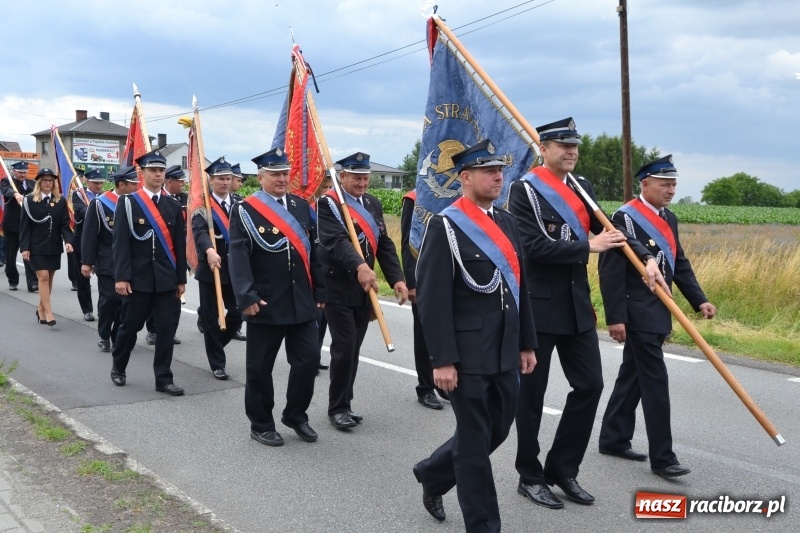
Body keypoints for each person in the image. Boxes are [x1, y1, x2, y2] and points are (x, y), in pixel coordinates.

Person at [509, 117, 667, 509]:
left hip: (577, 308)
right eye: (562, 145)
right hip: (539, 309)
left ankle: (562, 468)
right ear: (542, 149)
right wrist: (588, 248)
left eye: (575, 145)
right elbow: (532, 248)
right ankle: (529, 475)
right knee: (531, 395)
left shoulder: (583, 187)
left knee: (591, 385)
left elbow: (613, 229)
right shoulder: (523, 191)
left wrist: (646, 257)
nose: (572, 151)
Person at [412, 140, 537, 532]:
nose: (498, 176)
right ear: (465, 178)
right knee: (474, 445)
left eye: (500, 170)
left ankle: (433, 474)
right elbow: (432, 300)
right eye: (488, 171)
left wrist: (526, 342)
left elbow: (520, 288)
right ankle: (484, 526)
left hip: (504, 349)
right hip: (465, 356)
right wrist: (442, 360)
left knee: (494, 432)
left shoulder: (507, 222)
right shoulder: (446, 226)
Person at [598, 155, 715, 479]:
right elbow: (610, 271)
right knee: (654, 382)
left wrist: (699, 300)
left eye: (674, 184)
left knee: (632, 375)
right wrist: (615, 317)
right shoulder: (624, 218)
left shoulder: (670, 218)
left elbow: (679, 264)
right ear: (645, 184)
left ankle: (613, 437)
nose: (671, 190)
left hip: (659, 310)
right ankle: (663, 458)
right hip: (637, 313)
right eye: (665, 184)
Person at [228, 147, 325, 446]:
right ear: (261, 177)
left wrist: (320, 289)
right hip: (266, 302)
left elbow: (315, 250)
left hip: (302, 302)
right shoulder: (245, 209)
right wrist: (246, 296)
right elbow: (238, 255)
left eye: (285, 173)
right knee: (260, 368)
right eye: (275, 174)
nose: (282, 178)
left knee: (308, 361)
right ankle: (261, 423)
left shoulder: (300, 206)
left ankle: (296, 415)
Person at [317, 152, 407, 429]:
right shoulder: (329, 204)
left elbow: (384, 245)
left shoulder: (372, 204)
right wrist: (359, 266)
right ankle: (337, 408)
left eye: (366, 177)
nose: (362, 182)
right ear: (342, 177)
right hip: (338, 287)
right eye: (356, 177)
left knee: (354, 347)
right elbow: (336, 241)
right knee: (344, 346)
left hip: (363, 290)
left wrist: (397, 280)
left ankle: (346, 401)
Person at [110, 149, 187, 395]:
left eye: (161, 170)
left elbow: (180, 245)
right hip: (138, 280)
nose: (157, 174)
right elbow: (120, 242)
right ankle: (119, 366)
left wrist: (181, 280)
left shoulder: (173, 206)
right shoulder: (129, 203)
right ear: (142, 173)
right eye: (153, 170)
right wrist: (121, 276)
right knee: (128, 328)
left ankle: (163, 378)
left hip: (165, 280)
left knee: (165, 331)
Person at [192, 157, 243, 380]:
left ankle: (216, 345)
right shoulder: (203, 207)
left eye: (228, 178)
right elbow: (199, 232)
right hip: (212, 270)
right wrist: (209, 250)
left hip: (236, 271)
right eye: (220, 178)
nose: (225, 182)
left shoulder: (241, 204)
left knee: (238, 312)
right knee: (212, 318)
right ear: (211, 180)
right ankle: (217, 363)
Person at [81, 166, 139, 352]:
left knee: (125, 303)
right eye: (132, 184)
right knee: (109, 300)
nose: (136, 188)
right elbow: (90, 234)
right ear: (121, 184)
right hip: (107, 261)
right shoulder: (100, 203)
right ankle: (104, 334)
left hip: (130, 262)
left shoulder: (136, 203)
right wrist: (87, 262)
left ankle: (118, 336)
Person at [400, 188, 446, 410]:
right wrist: (412, 282)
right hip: (424, 276)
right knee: (424, 333)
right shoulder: (415, 198)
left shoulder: (457, 195)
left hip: (451, 276)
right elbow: (408, 242)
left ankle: (443, 383)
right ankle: (425, 387)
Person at [19, 168, 74, 326]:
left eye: (50, 180)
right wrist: (25, 248)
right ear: (39, 182)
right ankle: (49, 312)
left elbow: (64, 225)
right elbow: (25, 227)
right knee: (42, 276)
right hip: (36, 246)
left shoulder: (60, 201)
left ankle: (41, 309)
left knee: (49, 278)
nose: (48, 183)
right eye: (44, 180)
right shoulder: (29, 201)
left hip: (53, 245)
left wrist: (69, 241)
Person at [144, 164, 186, 346]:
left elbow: (180, 240)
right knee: (133, 321)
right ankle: (152, 330)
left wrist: (181, 276)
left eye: (161, 171)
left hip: (169, 266)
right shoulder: (135, 202)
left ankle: (168, 332)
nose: (183, 184)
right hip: (145, 267)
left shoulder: (176, 203)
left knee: (172, 309)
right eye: (179, 181)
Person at [71, 168, 104, 321]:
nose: (99, 186)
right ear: (87, 181)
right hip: (81, 241)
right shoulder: (77, 195)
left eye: (101, 183)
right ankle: (87, 309)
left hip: (101, 242)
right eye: (96, 183)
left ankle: (102, 308)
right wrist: (96, 208)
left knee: (104, 277)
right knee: (83, 278)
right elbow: (81, 211)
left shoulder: (105, 197)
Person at [1, 161, 38, 292]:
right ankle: (13, 280)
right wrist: (15, 194)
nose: (23, 175)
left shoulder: (32, 184)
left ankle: (33, 283)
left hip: (28, 226)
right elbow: (6, 190)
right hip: (12, 226)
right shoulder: (7, 182)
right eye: (20, 172)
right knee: (11, 256)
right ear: (14, 171)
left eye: (24, 172)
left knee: (29, 254)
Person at [309, 174, 334, 372]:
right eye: (323, 187)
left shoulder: (332, 208)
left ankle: (315, 357)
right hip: (313, 273)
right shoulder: (308, 208)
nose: (326, 191)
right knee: (315, 320)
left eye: (329, 187)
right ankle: (310, 358)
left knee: (324, 319)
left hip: (329, 272)